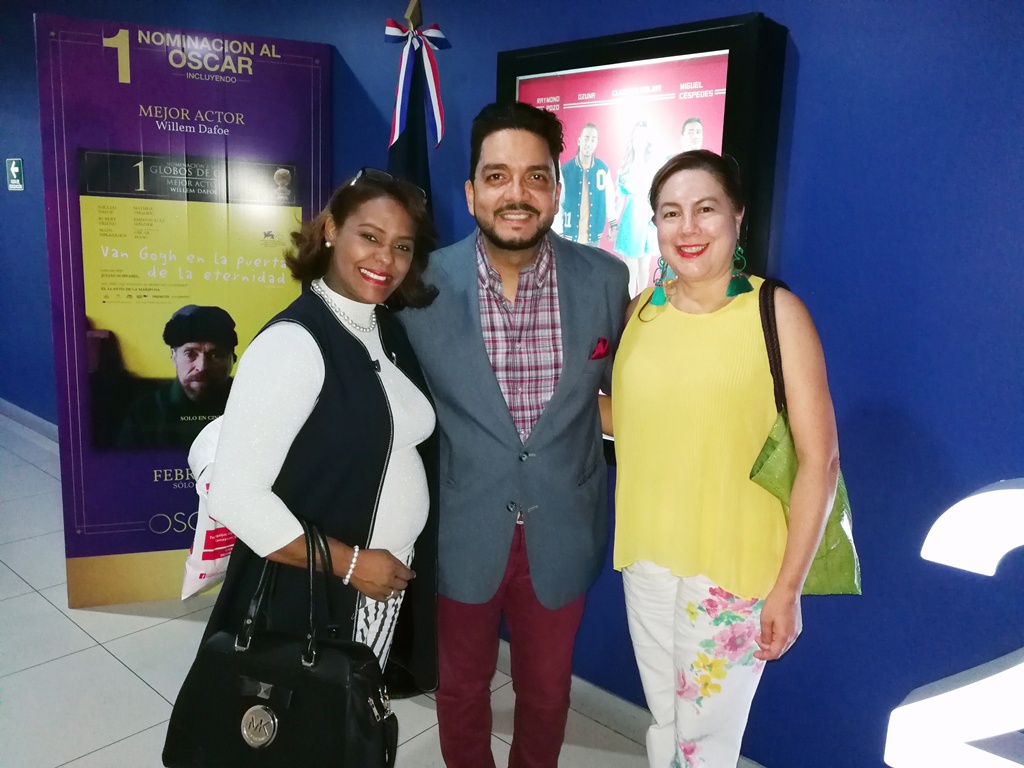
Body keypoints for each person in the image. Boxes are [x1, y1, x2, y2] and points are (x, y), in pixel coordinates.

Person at [398, 101, 629, 768]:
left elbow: (626, 394)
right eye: (497, 176)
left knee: (548, 692)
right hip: (461, 525)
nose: (517, 194)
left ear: (556, 189)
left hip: (563, 525)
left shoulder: (606, 280)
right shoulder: (418, 287)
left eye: (535, 176)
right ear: (471, 191)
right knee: (460, 687)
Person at [606, 150, 839, 768]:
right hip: (647, 555)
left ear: (737, 216)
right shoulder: (642, 311)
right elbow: (632, 421)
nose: (687, 228)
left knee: (704, 742)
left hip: (733, 567)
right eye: (670, 213)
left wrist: (788, 588)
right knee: (665, 720)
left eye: (705, 209)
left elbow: (820, 459)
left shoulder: (776, 312)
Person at [201, 170, 440, 694]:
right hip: (320, 588)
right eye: (370, 236)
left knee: (350, 715)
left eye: (402, 246)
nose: (385, 259)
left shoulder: (381, 326)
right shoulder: (294, 343)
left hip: (376, 585)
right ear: (332, 229)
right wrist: (352, 565)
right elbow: (236, 497)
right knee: (311, 721)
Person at [117, 305, 236, 448]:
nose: (202, 367)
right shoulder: (144, 413)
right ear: (174, 357)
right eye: (190, 354)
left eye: (216, 355)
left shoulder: (252, 405)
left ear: (232, 359)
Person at [612, 120, 659, 297]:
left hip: (648, 220)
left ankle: (643, 301)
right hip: (631, 221)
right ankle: (631, 304)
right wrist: (613, 224)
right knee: (630, 269)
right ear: (632, 138)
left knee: (644, 268)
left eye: (643, 136)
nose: (639, 140)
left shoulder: (653, 166)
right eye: (636, 136)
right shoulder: (625, 168)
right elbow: (620, 201)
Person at [556, 122, 614, 246]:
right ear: (579, 141)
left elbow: (609, 199)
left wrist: (613, 223)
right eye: (586, 138)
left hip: (594, 238)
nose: (589, 143)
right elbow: (559, 204)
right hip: (570, 238)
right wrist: (560, 234)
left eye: (593, 140)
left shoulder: (603, 170)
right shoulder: (566, 171)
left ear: (596, 143)